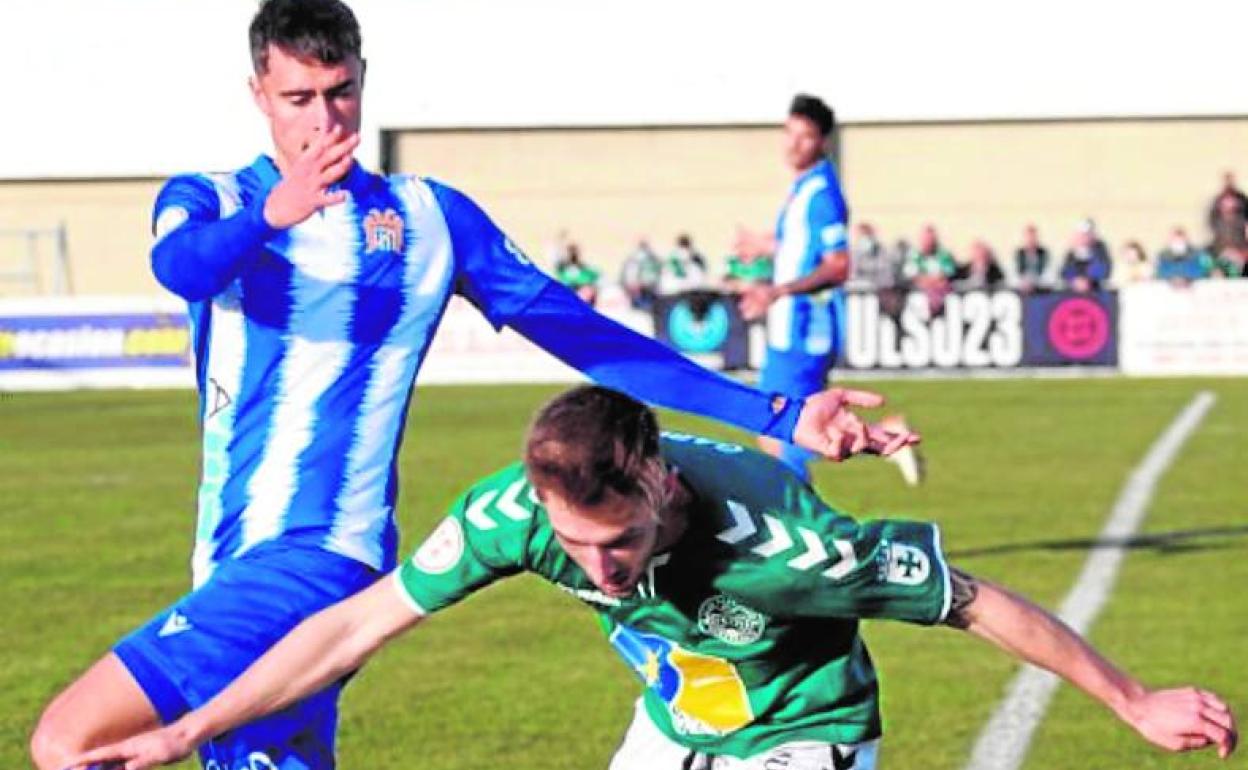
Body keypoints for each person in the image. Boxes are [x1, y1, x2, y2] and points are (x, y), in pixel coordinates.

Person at [27, 4, 917, 770]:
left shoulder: (429, 218)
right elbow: (180, 268)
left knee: (67, 741)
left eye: (340, 92)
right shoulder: (213, 199)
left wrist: (779, 412)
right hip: (230, 555)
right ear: (258, 92)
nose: (323, 119)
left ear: (363, 81)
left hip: (319, 557)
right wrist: (270, 214)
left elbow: (586, 338)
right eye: (299, 98)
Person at [71, 386, 1239, 770]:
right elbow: (348, 631)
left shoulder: (789, 547)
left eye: (618, 544)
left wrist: (1133, 699)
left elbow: (977, 599)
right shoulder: (515, 514)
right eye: (575, 546)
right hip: (674, 719)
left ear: (663, 487)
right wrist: (188, 729)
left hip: (800, 733)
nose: (599, 569)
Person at [734, 94, 923, 486]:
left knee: (785, 432)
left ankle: (805, 517)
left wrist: (778, 291)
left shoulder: (823, 195)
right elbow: (802, 247)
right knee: (773, 428)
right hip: (790, 329)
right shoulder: (803, 189)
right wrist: (765, 245)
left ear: (821, 142)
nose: (793, 144)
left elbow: (838, 265)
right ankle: (885, 436)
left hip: (805, 329)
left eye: (804, 137)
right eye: (789, 133)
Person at [1059, 218, 1113, 293]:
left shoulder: (1100, 250)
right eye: (1079, 235)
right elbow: (1064, 272)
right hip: (1072, 291)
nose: (1082, 238)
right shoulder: (1071, 253)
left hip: (1095, 291)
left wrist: (1088, 280)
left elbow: (1104, 270)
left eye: (1086, 235)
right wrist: (1074, 280)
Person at [1013, 224, 1050, 293]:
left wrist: (1034, 282)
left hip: (1039, 288)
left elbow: (1048, 274)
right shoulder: (1018, 254)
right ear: (1024, 239)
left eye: (1033, 237)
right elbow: (1013, 274)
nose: (1030, 240)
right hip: (1022, 288)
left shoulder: (1044, 254)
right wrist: (1023, 282)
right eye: (1028, 237)